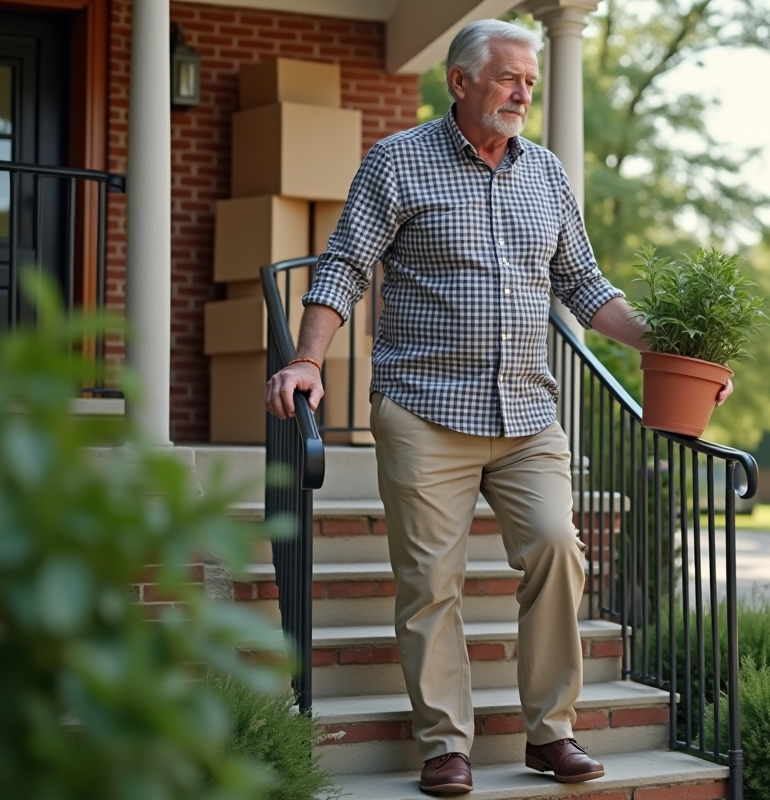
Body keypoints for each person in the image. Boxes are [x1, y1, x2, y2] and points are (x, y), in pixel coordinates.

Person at [264, 18, 731, 796]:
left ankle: (551, 732)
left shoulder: (546, 173)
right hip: (423, 405)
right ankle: (446, 745)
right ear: (460, 80)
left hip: (525, 412)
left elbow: (585, 285)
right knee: (429, 583)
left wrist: (668, 345)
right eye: (510, 78)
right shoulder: (397, 162)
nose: (523, 93)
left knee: (558, 550)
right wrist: (307, 359)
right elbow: (343, 266)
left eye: (531, 83)